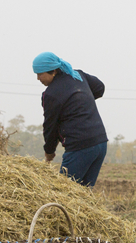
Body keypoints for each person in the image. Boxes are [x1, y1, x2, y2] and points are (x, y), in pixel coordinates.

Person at [32, 51, 109, 187]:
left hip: (80, 147)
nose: (38, 78)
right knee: (84, 193)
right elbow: (99, 87)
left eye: (40, 74)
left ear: (53, 71)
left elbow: (50, 127)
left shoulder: (51, 94)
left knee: (65, 193)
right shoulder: (78, 76)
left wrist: (49, 152)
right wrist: (82, 102)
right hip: (100, 143)